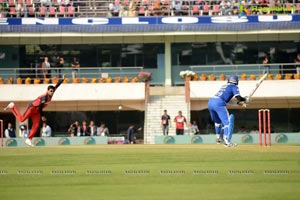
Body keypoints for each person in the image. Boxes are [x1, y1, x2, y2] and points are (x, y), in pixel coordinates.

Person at [4, 75, 65, 146]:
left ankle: (28, 139)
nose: (52, 92)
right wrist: (42, 116)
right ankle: (12, 106)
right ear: (47, 91)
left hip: (37, 111)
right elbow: (40, 107)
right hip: (32, 108)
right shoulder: (44, 98)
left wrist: (62, 80)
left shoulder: (52, 92)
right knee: (21, 119)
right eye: (51, 91)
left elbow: (57, 85)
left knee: (36, 125)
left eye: (53, 91)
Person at [208, 75, 248, 147]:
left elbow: (228, 101)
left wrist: (240, 103)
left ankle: (218, 138)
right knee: (227, 123)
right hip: (219, 103)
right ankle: (227, 141)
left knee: (217, 122)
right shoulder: (234, 87)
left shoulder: (224, 86)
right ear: (236, 81)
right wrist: (244, 99)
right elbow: (238, 97)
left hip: (211, 102)